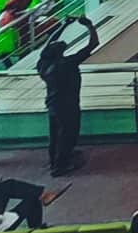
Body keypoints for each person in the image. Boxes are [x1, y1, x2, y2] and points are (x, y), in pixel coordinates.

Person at [38, 17, 99, 175]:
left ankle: (54, 160)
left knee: (55, 135)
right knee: (68, 134)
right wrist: (89, 26)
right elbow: (93, 44)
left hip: (53, 104)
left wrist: (63, 26)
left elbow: (47, 46)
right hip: (68, 104)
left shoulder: (43, 65)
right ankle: (60, 166)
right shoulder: (67, 63)